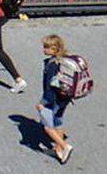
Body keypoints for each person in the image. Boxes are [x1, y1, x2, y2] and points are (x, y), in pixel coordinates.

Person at [37, 35, 75, 164]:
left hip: (53, 99)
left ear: (54, 49)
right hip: (64, 98)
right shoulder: (64, 61)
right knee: (58, 122)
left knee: (48, 126)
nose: (43, 49)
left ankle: (65, 146)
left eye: (46, 47)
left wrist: (43, 103)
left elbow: (49, 87)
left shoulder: (52, 65)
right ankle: (58, 149)